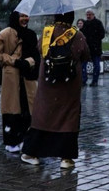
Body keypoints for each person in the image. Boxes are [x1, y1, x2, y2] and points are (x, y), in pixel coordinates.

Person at [20, 11, 90, 168]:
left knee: (43, 114)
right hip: (69, 83)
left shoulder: (47, 32)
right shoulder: (77, 35)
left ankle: (31, 153)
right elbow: (86, 55)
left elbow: (39, 49)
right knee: (68, 117)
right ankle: (66, 158)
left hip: (48, 81)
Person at [0, 11, 40, 152]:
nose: (25, 19)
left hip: (28, 77)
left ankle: (25, 138)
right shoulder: (6, 33)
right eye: (22, 16)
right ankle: (12, 140)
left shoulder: (31, 34)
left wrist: (28, 62)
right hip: (12, 76)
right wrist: (15, 62)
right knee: (12, 109)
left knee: (27, 109)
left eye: (27, 16)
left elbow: (36, 55)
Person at [81, 8, 105, 86]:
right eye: (87, 14)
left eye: (89, 14)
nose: (88, 16)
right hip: (86, 48)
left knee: (96, 65)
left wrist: (94, 40)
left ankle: (95, 80)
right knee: (83, 65)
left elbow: (102, 34)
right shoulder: (85, 24)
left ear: (93, 15)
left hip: (95, 48)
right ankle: (83, 79)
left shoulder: (98, 23)